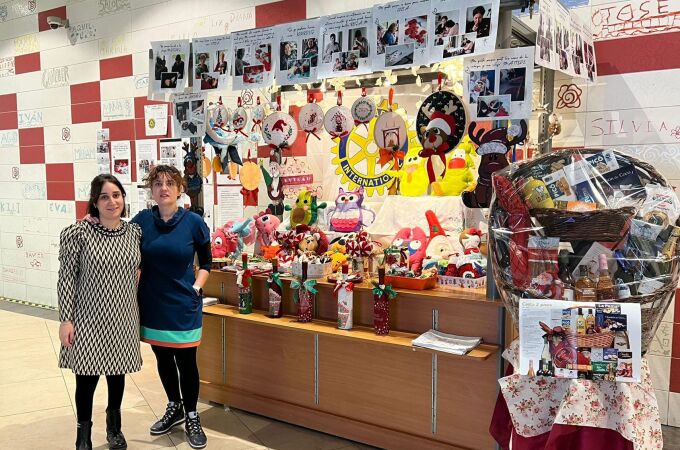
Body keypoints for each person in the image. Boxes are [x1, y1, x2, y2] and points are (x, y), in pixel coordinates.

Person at [59, 174, 142, 450]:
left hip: (123, 318)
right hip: (88, 318)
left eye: (116, 195)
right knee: (86, 379)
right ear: (94, 202)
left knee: (117, 376)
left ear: (123, 199)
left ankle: (114, 428)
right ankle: (83, 434)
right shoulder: (78, 233)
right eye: (104, 196)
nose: (111, 201)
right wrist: (66, 319)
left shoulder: (134, 233)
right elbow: (67, 278)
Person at [131, 165, 212, 449]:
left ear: (180, 189)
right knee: (163, 359)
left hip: (183, 304)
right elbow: (117, 239)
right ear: (151, 190)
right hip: (152, 303)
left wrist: (196, 287)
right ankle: (174, 406)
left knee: (186, 362)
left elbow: (207, 262)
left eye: (169, 183)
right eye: (157, 183)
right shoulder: (141, 221)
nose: (163, 188)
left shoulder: (193, 223)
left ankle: (192, 415)